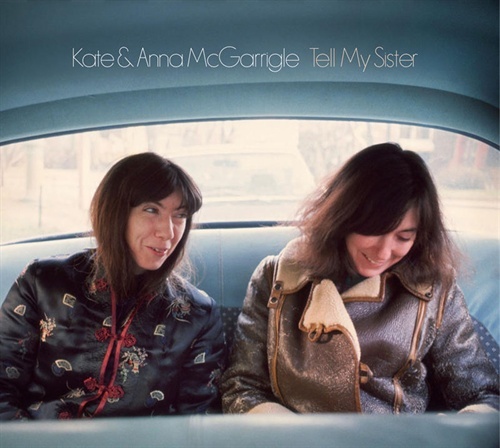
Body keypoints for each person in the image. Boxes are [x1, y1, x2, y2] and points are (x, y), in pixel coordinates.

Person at [221, 143, 499, 414]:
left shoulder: (436, 289)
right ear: (343, 217)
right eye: (374, 230)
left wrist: (447, 432)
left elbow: (482, 394)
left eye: (404, 237)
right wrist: (293, 434)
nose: (384, 252)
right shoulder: (275, 277)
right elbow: (242, 388)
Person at [0, 152, 226, 420]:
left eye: (180, 215)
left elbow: (196, 420)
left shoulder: (198, 313)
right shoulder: (42, 282)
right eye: (151, 210)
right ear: (115, 212)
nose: (167, 232)